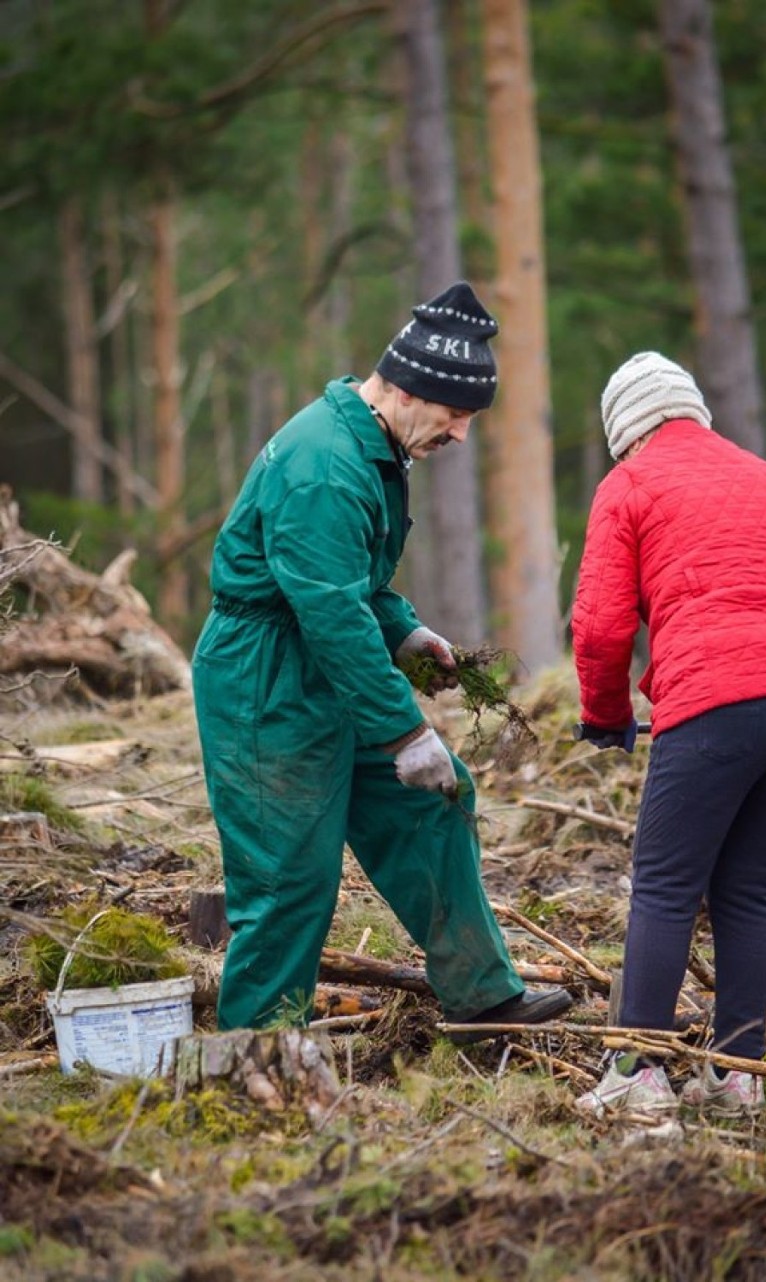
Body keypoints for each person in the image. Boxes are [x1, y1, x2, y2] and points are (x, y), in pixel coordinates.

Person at [192, 280, 572, 1036]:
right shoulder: (324, 465)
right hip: (264, 679)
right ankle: (257, 1051)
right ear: (403, 389)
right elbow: (328, 612)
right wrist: (405, 733)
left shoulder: (375, 443)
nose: (460, 436)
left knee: (433, 803)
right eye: (456, 416)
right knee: (288, 873)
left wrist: (402, 629)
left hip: (327, 660)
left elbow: (350, 583)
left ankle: (482, 997)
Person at [570, 351, 766, 1117]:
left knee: (664, 887)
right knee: (747, 890)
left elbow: (598, 626)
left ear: (623, 431)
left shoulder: (628, 483)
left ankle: (640, 1073)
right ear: (694, 410)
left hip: (718, 703)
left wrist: (604, 715)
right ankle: (738, 1079)